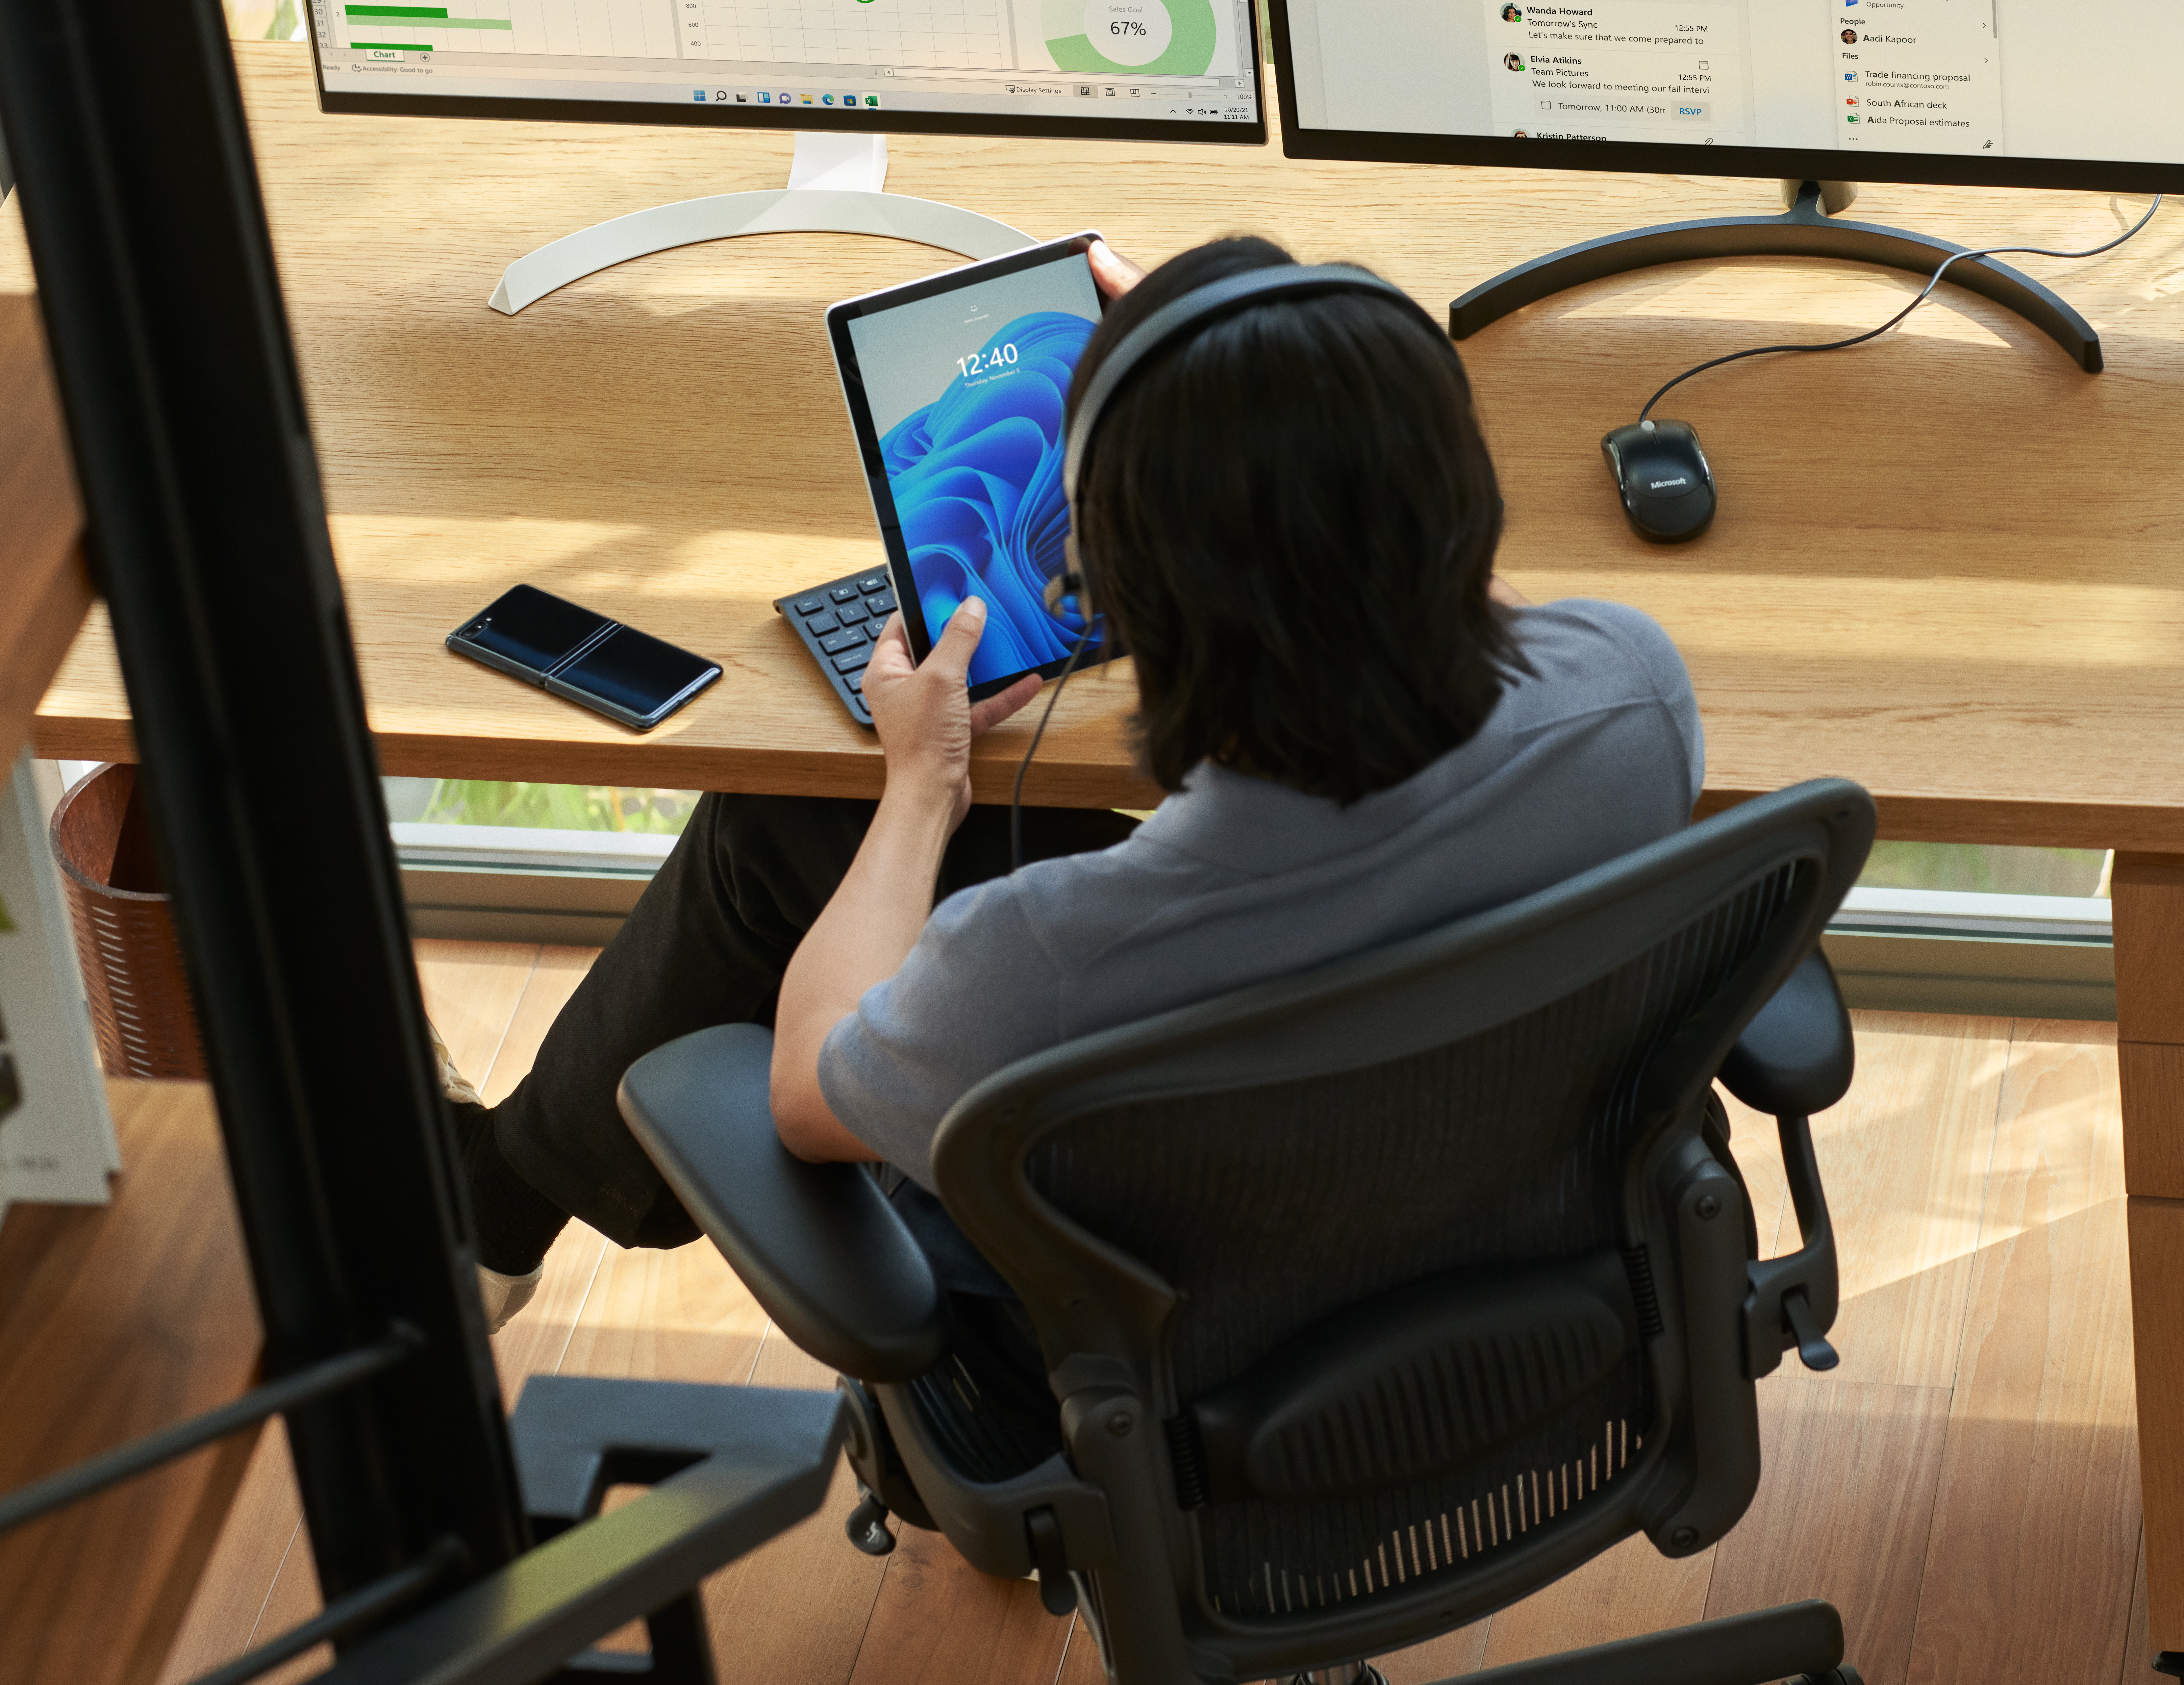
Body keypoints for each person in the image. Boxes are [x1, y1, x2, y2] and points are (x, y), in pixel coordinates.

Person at [444, 237, 1706, 1369]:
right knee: (789, 828)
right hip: (1516, 1264)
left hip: (1193, 1365)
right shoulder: (1638, 695)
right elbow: (1465, 605)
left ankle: (499, 1205)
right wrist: (1270, 375)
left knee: (779, 823)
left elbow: (806, 1092)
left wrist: (925, 780)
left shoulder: (1048, 961)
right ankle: (503, 1193)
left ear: (1111, 603)